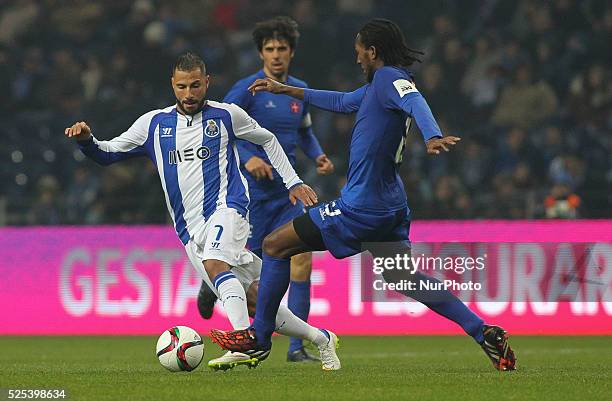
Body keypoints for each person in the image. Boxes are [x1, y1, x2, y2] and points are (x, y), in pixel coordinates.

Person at [210, 19, 516, 371]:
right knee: (405, 277)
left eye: (359, 53)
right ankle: (482, 331)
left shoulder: (389, 78)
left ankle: (259, 338)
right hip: (390, 207)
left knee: (276, 245)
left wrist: (432, 134)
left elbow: (415, 100)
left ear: (372, 52)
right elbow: (342, 101)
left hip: (361, 206)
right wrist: (288, 91)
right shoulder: (376, 87)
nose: (357, 60)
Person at [65, 52, 340, 371]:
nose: (189, 93)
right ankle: (322, 339)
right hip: (189, 230)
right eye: (182, 86)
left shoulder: (227, 115)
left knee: (216, 262)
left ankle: (242, 342)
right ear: (173, 85)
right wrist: (87, 141)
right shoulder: (154, 124)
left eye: (196, 85)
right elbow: (109, 153)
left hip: (229, 208)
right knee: (255, 301)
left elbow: (267, 139)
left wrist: (292, 181)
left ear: (207, 82)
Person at [196, 16, 334, 363]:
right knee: (242, 270)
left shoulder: (297, 90)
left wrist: (317, 155)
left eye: (282, 49)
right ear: (260, 53)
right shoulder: (247, 88)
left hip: (286, 193)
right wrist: (248, 159)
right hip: (250, 195)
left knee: (301, 259)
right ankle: (213, 283)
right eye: (269, 49)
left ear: (291, 52)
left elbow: (303, 131)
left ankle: (295, 348)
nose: (276, 55)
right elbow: (219, 127)